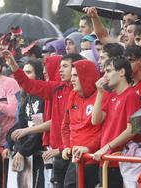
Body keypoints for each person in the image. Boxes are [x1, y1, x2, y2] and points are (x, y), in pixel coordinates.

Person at [4, 51, 83, 188]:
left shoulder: (83, 93)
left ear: (77, 68)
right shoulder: (57, 88)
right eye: (60, 66)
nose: (60, 70)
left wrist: (61, 148)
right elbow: (28, 84)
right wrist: (14, 66)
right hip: (58, 153)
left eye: (64, 66)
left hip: (73, 153)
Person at [91, 56, 141, 188]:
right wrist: (100, 93)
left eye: (108, 71)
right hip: (105, 159)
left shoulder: (131, 95)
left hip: (117, 161)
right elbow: (95, 120)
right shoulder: (112, 95)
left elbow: (131, 129)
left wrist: (107, 147)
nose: (105, 76)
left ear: (122, 72)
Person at [5, 60, 45, 188]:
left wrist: (22, 151)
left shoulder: (43, 97)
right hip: (27, 154)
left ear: (38, 76)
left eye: (29, 72)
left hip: (39, 155)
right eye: (24, 72)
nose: (25, 76)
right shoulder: (27, 98)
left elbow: (38, 130)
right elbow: (20, 126)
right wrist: (9, 145)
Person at [61, 60, 100, 188]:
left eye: (76, 75)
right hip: (76, 158)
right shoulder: (73, 94)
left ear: (87, 76)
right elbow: (66, 125)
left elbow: (105, 130)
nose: (72, 79)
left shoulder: (100, 97)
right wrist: (66, 146)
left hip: (93, 158)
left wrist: (89, 148)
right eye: (71, 75)